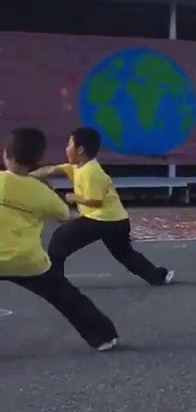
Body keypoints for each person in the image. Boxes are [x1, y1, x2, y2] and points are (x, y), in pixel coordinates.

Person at [1, 127, 119, 352]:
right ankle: (103, 337)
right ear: (37, 159)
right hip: (27, 262)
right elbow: (63, 215)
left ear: (6, 154)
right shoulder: (42, 192)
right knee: (64, 294)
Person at [32, 127, 174, 286]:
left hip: (103, 220)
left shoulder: (91, 172)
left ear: (80, 150)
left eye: (69, 145)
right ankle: (158, 276)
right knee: (125, 254)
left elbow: (95, 201)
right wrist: (25, 176)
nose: (66, 149)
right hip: (117, 220)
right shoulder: (77, 167)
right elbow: (50, 170)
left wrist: (73, 197)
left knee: (60, 239)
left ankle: (54, 280)